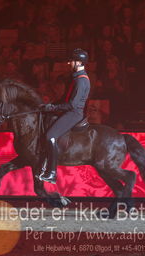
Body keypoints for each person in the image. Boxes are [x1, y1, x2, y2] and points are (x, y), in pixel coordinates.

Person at [38, 48, 90, 184]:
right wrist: (49, 106)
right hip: (69, 111)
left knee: (50, 136)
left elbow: (72, 104)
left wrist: (54, 107)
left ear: (79, 62)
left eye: (72, 61)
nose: (69, 64)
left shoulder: (81, 80)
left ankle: (52, 173)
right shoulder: (76, 78)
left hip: (74, 113)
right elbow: (65, 100)